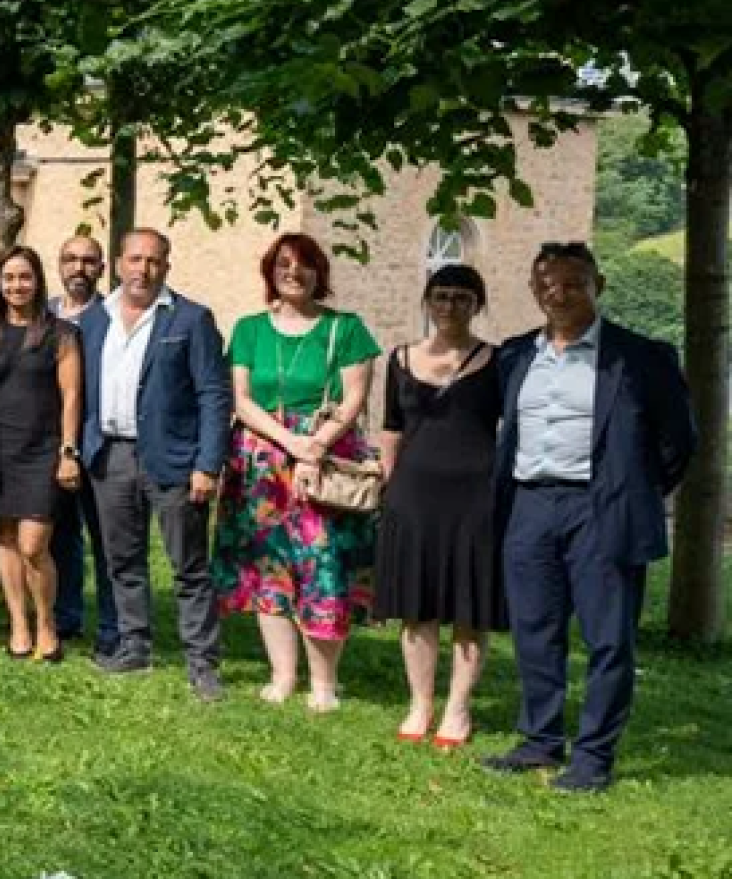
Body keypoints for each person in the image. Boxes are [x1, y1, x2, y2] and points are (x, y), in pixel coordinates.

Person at [482, 243, 693, 793]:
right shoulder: (513, 357)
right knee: (534, 631)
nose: (560, 292)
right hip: (529, 506)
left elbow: (678, 443)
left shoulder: (642, 357)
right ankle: (539, 741)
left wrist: (631, 489)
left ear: (598, 284)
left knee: (607, 638)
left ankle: (594, 756)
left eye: (573, 281)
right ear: (534, 290)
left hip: (602, 508)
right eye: (547, 282)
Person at [219, 233, 383, 712]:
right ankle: (283, 675)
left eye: (304, 265)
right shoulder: (250, 329)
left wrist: (315, 445)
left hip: (326, 460)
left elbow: (354, 397)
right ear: (271, 272)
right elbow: (241, 398)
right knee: (268, 567)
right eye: (284, 264)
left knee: (322, 566)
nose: (294, 272)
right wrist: (289, 443)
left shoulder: (346, 328)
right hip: (263, 463)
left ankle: (325, 684)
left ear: (320, 274)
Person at [77, 228, 232, 701]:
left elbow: (213, 394)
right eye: (134, 260)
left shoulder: (190, 319)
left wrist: (208, 463)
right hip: (110, 454)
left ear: (166, 266)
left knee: (188, 566)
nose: (142, 270)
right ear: (118, 264)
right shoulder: (94, 319)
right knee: (122, 560)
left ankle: (202, 663)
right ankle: (134, 647)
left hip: (174, 458)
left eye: (153, 261)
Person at [375, 263, 504, 750]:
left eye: (463, 297)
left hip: (476, 495)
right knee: (417, 606)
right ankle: (420, 703)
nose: (451, 305)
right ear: (427, 301)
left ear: (478, 305)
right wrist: (387, 489)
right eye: (442, 296)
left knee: (469, 607)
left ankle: (458, 709)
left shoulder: (497, 360)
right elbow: (390, 428)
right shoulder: (400, 358)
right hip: (413, 495)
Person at [0, 247, 84, 662]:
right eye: (8, 279)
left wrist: (68, 451)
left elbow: (72, 395)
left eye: (24, 277)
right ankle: (19, 625)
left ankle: (46, 622)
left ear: (38, 282)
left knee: (34, 544)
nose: (16, 286)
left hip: (43, 450)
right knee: (5, 538)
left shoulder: (61, 334)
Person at [47, 233, 116, 651]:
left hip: (98, 442)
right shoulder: (44, 312)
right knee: (59, 535)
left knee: (107, 539)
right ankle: (64, 614)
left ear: (102, 269)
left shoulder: (112, 316)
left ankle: (114, 626)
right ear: (59, 264)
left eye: (89, 261)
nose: (79, 269)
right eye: (70, 259)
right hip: (48, 442)